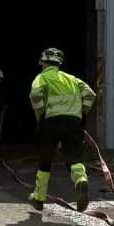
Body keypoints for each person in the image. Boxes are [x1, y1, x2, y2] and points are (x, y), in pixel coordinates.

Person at [28, 46, 96, 213]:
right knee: (74, 156)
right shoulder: (72, 79)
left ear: (43, 62)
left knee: (46, 159)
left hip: (51, 122)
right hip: (73, 122)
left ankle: (38, 198)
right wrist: (81, 113)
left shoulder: (42, 78)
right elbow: (90, 94)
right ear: (59, 63)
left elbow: (35, 95)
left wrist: (40, 115)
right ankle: (81, 181)